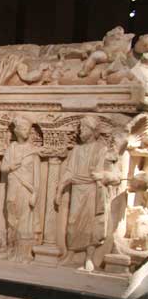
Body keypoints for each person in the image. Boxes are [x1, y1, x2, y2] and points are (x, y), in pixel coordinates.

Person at [56, 115, 109, 272]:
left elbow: (109, 173)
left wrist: (101, 176)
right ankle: (70, 254)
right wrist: (59, 190)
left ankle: (89, 257)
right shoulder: (77, 150)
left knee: (91, 225)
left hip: (92, 190)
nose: (80, 130)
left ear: (92, 130)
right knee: (72, 223)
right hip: (77, 189)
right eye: (80, 127)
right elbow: (69, 172)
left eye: (84, 128)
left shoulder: (101, 149)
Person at [1, 115, 40, 262]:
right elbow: (3, 168)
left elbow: (37, 176)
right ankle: (11, 249)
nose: (26, 131)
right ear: (16, 131)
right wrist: (11, 166)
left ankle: (24, 253)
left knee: (25, 220)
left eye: (28, 129)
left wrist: (35, 193)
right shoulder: (11, 148)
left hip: (26, 189)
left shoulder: (33, 151)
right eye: (23, 128)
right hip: (13, 187)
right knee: (11, 218)